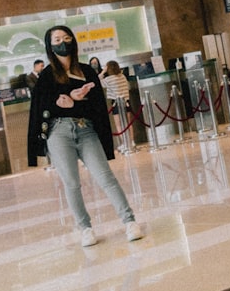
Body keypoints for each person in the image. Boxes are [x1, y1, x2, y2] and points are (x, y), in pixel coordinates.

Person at [27, 26, 143, 246]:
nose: (63, 42)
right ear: (50, 46)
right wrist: (66, 100)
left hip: (86, 129)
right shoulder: (46, 76)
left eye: (66, 38)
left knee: (106, 177)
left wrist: (80, 101)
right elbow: (41, 108)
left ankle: (129, 221)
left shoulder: (87, 71)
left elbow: (98, 108)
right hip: (59, 133)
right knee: (72, 183)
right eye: (57, 39)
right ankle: (85, 228)